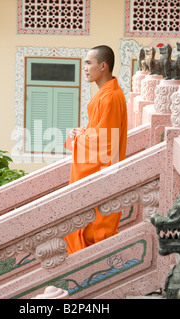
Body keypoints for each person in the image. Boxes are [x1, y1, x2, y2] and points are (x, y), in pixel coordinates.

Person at [64, 45, 128, 254]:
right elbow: (99, 131)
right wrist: (82, 132)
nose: (85, 68)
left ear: (103, 66)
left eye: (89, 63)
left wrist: (79, 138)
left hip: (103, 175)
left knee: (94, 232)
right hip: (102, 170)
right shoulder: (107, 93)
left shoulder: (109, 97)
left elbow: (105, 144)